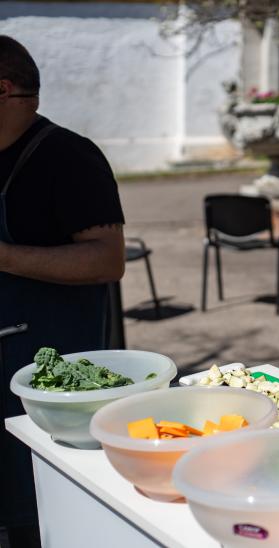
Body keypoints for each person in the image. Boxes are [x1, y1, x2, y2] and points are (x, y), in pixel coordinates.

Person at [0, 36, 125, 545]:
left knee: (37, 505)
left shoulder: (69, 158)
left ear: (3, 89)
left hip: (48, 370)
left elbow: (106, 259)